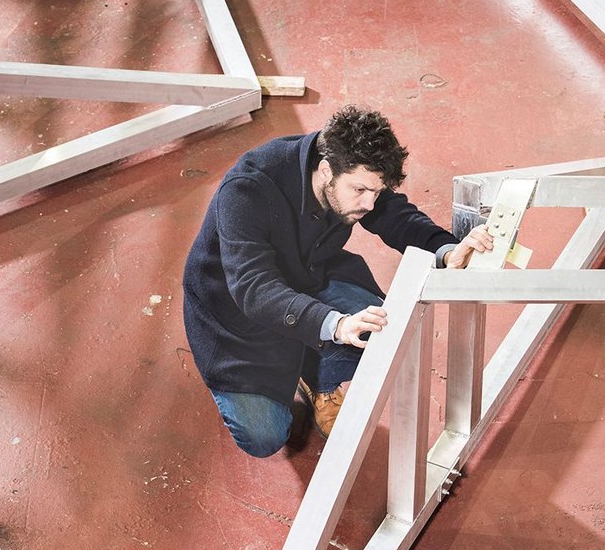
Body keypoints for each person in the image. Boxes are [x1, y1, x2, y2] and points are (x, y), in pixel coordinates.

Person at [182, 105, 493, 457]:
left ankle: (318, 377)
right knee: (265, 435)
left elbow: (397, 218)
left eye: (376, 192)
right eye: (360, 191)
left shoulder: (353, 172)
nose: (369, 203)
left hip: (308, 276)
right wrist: (336, 324)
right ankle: (306, 349)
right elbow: (253, 288)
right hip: (238, 316)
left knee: (387, 330)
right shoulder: (248, 188)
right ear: (326, 171)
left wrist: (446, 250)